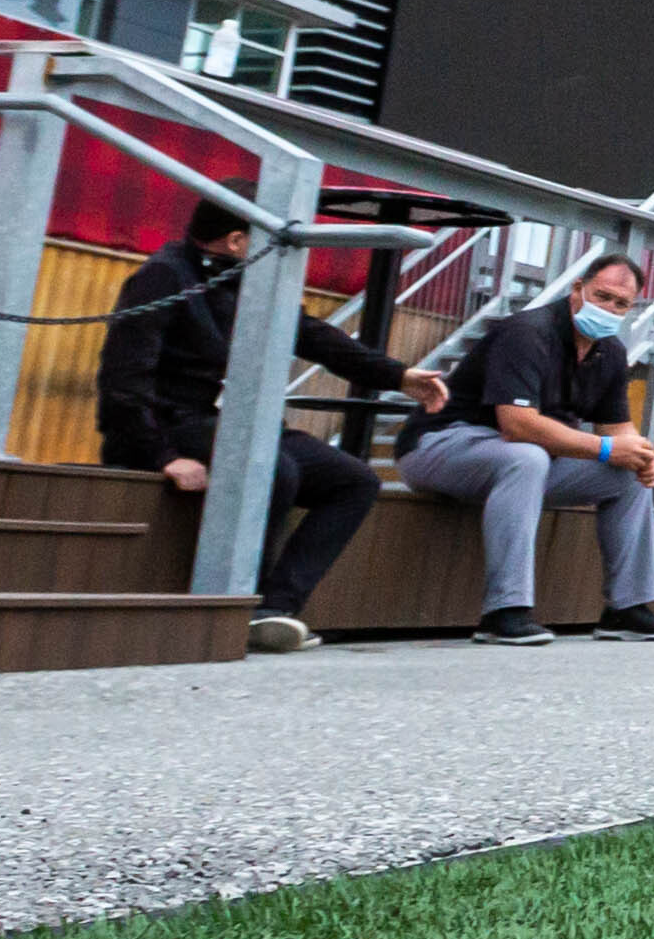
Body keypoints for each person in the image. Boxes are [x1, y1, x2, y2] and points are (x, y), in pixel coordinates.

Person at [94, 194, 446, 652]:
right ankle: (237, 603)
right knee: (274, 467)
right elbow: (123, 378)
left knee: (353, 480)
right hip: (170, 423)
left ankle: (274, 609)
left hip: (238, 423)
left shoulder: (254, 278)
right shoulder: (164, 276)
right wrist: (163, 455)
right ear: (238, 240)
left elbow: (316, 337)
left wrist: (398, 376)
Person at [393, 255, 654, 646]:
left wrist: (642, 456)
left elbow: (618, 430)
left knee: (628, 472)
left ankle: (628, 609)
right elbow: (517, 424)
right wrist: (605, 448)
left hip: (520, 461)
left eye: (621, 304)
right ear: (577, 290)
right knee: (528, 456)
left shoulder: (611, 352)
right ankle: (504, 612)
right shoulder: (528, 332)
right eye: (602, 296)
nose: (610, 308)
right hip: (441, 444)